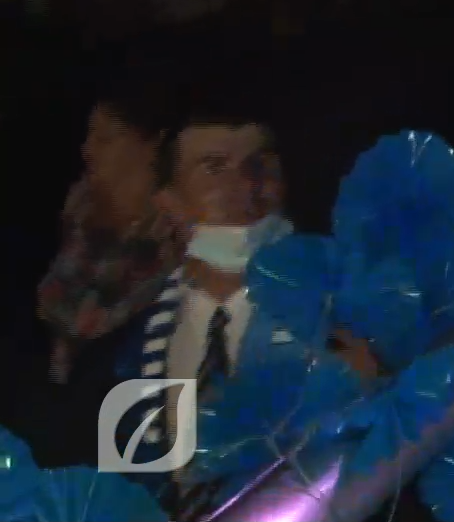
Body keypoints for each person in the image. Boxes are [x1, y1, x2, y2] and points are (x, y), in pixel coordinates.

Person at [118, 102, 379, 509]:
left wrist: (376, 395)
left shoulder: (350, 311)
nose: (245, 188)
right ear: (170, 202)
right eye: (214, 168)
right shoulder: (134, 349)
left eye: (261, 165)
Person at [36, 82, 184, 387]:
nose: (87, 149)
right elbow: (53, 298)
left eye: (104, 139)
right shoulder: (82, 203)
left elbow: (108, 325)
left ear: (152, 144)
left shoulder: (170, 229)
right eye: (89, 136)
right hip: (56, 381)